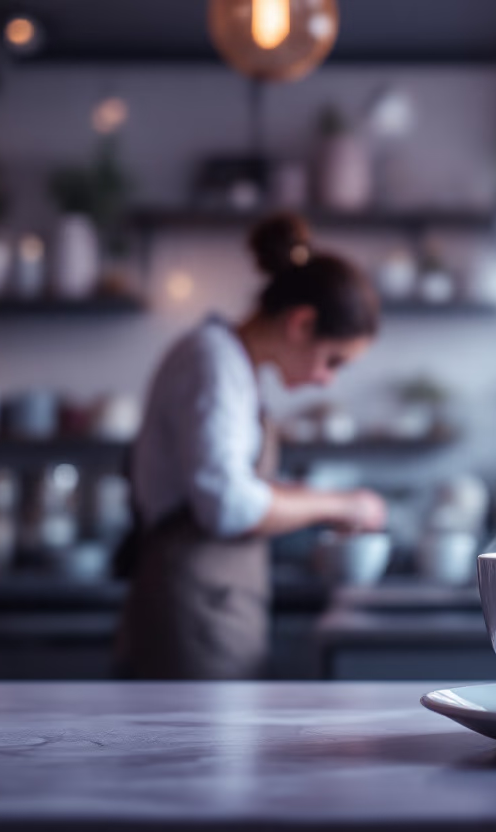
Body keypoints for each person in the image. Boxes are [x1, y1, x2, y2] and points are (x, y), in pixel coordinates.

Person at [117, 213, 386, 680]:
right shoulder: (211, 361)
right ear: (301, 323)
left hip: (215, 607)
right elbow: (226, 506)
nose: (327, 379)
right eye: (333, 360)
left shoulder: (235, 368)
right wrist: (340, 504)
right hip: (191, 616)